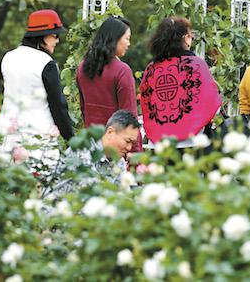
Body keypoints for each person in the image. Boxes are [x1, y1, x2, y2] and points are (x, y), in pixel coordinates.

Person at [0, 9, 74, 162]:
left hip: (8, 135)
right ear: (43, 35)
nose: (58, 41)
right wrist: (71, 139)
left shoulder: (8, 57)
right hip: (38, 141)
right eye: (55, 35)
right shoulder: (46, 63)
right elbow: (58, 105)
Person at [139, 17, 222, 147]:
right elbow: (212, 101)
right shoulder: (196, 65)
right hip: (191, 143)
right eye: (190, 35)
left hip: (159, 145)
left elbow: (146, 102)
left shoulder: (151, 69)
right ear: (186, 38)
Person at [41, 110, 141, 200]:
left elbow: (125, 194)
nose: (129, 148)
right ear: (110, 132)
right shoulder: (84, 149)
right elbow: (92, 192)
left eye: (132, 143)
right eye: (127, 141)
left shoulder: (119, 162)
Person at [77, 16, 141, 152]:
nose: (129, 43)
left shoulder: (83, 68)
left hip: (91, 145)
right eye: (127, 38)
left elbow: (84, 110)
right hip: (116, 149)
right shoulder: (122, 70)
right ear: (115, 39)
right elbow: (129, 115)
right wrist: (135, 151)